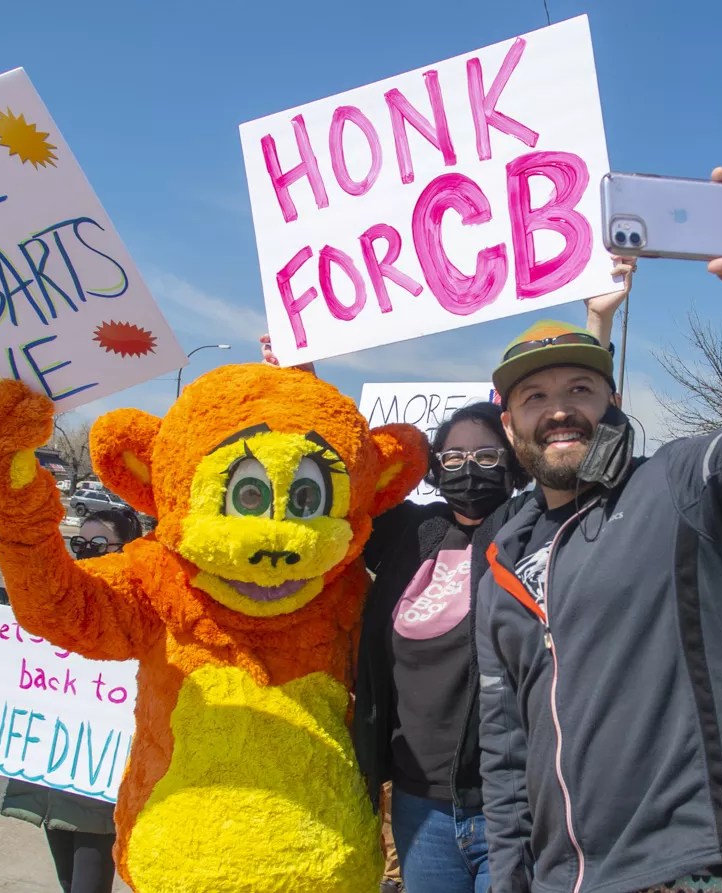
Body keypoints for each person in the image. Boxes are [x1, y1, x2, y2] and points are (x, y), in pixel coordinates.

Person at [476, 163, 722, 893]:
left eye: (580, 389)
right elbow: (505, 747)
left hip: (683, 873)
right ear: (509, 423)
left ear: (611, 398)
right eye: (536, 396)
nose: (560, 408)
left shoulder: (680, 486)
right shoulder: (502, 555)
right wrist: (507, 878)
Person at [261, 255, 637, 893]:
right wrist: (302, 379)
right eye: (454, 456)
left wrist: (596, 321)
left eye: (487, 454)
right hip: (419, 806)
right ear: (434, 468)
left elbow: (583, 450)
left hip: (516, 808)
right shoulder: (410, 534)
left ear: (515, 459)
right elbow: (337, 480)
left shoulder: (531, 530)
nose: (470, 466)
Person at [0, 469, 139, 893]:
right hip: (49, 780)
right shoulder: (52, 605)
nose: (85, 552)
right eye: (80, 543)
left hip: (98, 786)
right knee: (70, 883)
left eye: (99, 544)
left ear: (126, 549)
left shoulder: (133, 613)